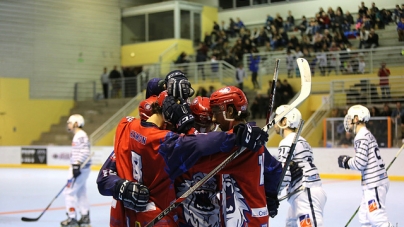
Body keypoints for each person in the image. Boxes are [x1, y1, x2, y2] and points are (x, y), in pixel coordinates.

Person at [338, 105, 393, 227]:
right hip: (372, 183)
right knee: (364, 217)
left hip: (374, 183)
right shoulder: (366, 134)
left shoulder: (361, 136)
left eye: (350, 118)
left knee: (376, 218)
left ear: (356, 119)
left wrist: (346, 162)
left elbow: (360, 163)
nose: (348, 121)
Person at [274, 105, 327, 226]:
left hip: (305, 193)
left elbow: (284, 174)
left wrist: (273, 194)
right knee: (290, 223)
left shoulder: (287, 142)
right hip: (303, 192)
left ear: (285, 121)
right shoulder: (303, 141)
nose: (275, 122)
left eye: (278, 118)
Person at [61, 114, 92, 227]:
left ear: (76, 123)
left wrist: (76, 165)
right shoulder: (80, 135)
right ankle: (85, 217)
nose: (68, 124)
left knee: (68, 192)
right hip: (82, 168)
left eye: (70, 122)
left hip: (79, 168)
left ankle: (71, 218)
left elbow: (84, 152)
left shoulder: (80, 135)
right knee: (81, 192)